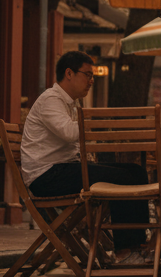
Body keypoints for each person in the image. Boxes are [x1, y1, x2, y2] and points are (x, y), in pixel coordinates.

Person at [23, 51, 150, 263]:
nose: (91, 81)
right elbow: (70, 132)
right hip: (47, 175)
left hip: (65, 168)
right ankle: (124, 251)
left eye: (93, 76)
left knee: (135, 171)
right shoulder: (51, 100)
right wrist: (98, 122)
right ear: (69, 73)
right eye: (87, 75)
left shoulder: (72, 103)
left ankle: (138, 245)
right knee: (122, 178)